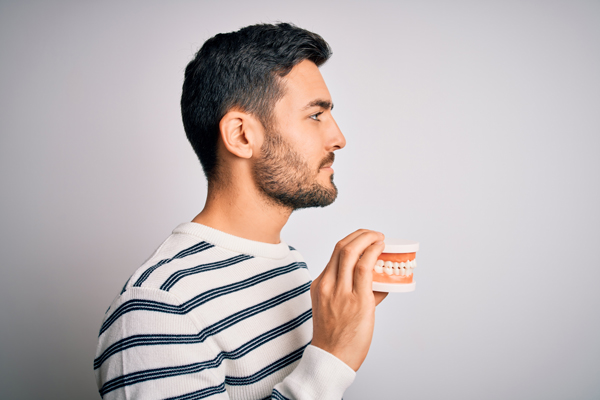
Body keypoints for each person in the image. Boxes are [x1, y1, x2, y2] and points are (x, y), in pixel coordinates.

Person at [94, 22, 387, 400]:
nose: (338, 138)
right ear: (241, 135)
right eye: (316, 115)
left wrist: (343, 322)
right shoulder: (160, 308)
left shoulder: (291, 266)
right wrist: (332, 356)